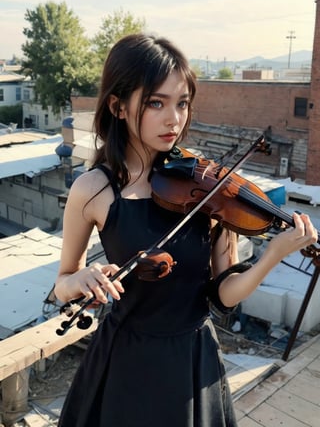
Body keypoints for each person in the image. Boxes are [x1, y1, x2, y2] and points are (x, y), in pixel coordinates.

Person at [54, 33, 317, 427]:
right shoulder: (92, 190)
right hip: (124, 360)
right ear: (118, 106)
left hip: (192, 357)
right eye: (156, 103)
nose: (173, 119)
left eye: (182, 103)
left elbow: (223, 295)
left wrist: (273, 256)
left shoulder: (208, 188)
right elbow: (63, 283)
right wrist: (82, 280)